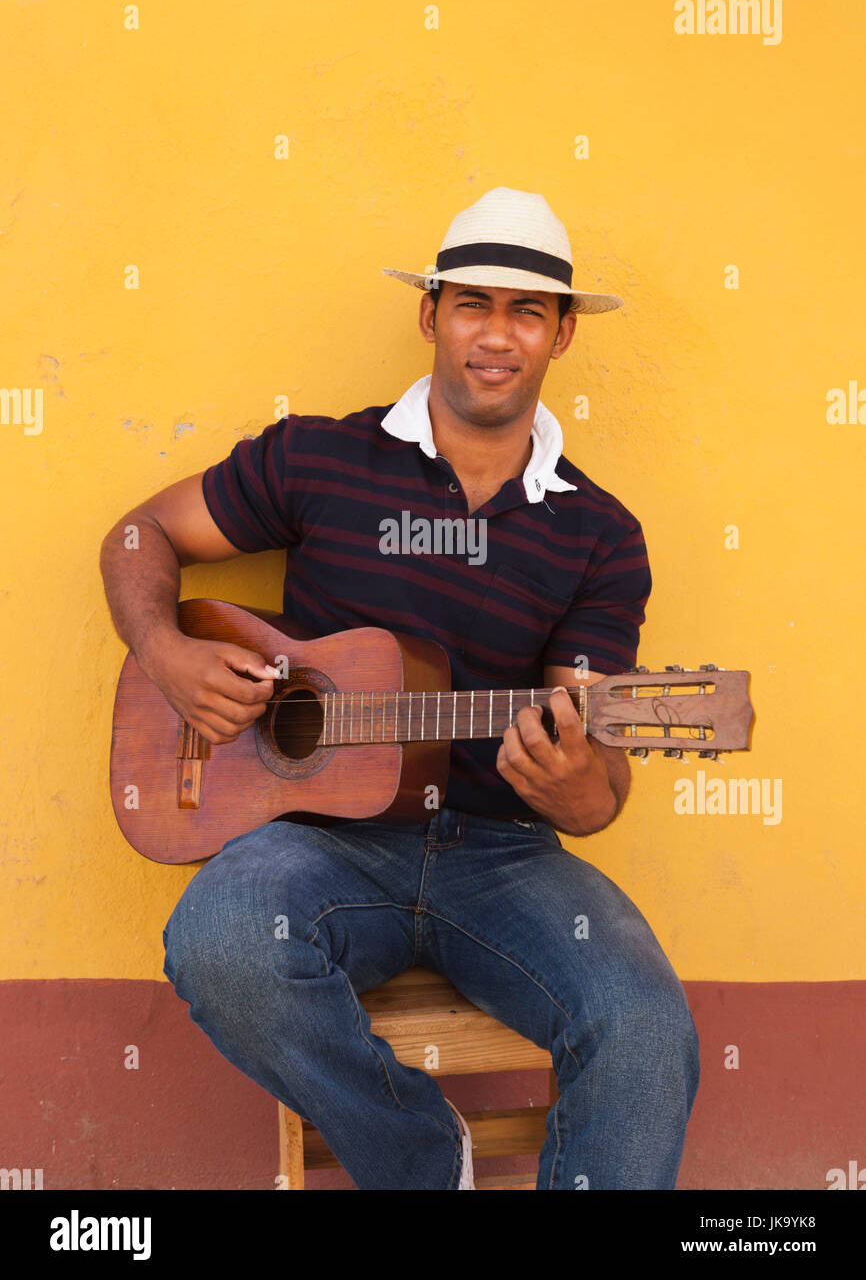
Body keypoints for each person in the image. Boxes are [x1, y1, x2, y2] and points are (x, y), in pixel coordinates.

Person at [100, 186, 700, 1190]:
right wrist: (165, 651)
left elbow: (597, 790)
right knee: (221, 938)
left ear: (560, 336)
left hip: (500, 857)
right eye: (472, 303)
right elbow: (136, 534)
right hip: (317, 847)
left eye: (525, 311)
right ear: (429, 315)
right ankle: (424, 1158)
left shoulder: (598, 533)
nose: (495, 335)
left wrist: (571, 782)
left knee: (644, 1028)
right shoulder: (319, 457)